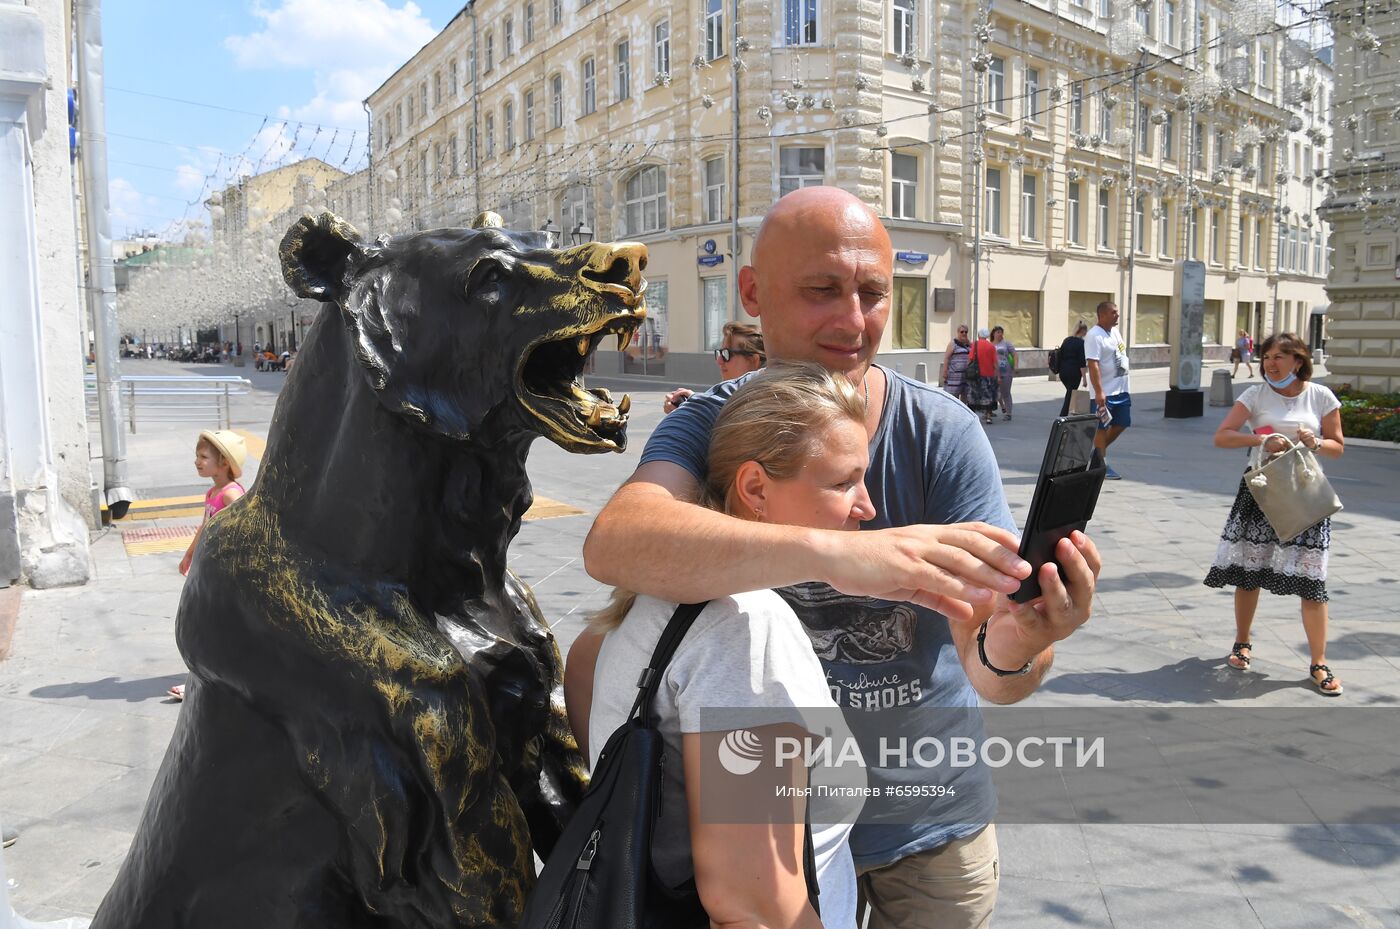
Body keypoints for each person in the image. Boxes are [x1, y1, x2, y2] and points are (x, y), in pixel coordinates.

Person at [579, 186, 1101, 929]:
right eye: (823, 290)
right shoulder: (711, 420)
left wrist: (1024, 639)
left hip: (926, 826)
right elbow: (618, 541)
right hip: (766, 826)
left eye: (874, 294)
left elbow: (991, 665)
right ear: (753, 292)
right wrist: (841, 557)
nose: (853, 322)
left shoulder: (941, 433)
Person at [571, 363, 872, 929]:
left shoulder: (646, 596)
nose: (867, 506)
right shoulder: (745, 627)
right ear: (755, 487)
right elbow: (756, 913)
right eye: (843, 482)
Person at [1204, 333, 1345, 696]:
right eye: (1267, 357)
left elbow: (1337, 447)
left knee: (1312, 582)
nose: (1270, 363)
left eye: (1280, 357)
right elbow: (1223, 436)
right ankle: (1242, 643)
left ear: (1298, 361)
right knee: (1249, 573)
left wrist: (1315, 442)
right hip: (1261, 491)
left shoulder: (1320, 396)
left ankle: (1318, 662)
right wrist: (1261, 440)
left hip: (1305, 494)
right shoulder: (1255, 395)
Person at [170, 430, 247, 701]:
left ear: (224, 462)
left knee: (213, 628)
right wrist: (190, 554)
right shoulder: (213, 492)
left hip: (226, 576)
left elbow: (243, 534)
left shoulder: (231, 495)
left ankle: (202, 683)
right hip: (211, 571)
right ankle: (201, 680)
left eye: (203, 457)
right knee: (206, 626)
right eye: (197, 456)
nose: (197, 461)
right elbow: (205, 526)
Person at [664, 321, 765, 413]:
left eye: (727, 354)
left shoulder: (760, 405)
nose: (719, 360)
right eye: (720, 353)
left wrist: (691, 408)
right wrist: (692, 402)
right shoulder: (740, 398)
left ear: (753, 360)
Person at [1084, 300, 1130, 480]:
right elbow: (1093, 364)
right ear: (1101, 315)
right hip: (1106, 391)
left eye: (1117, 312)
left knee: (1122, 423)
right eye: (1113, 313)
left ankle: (1096, 454)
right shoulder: (1094, 336)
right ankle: (1101, 463)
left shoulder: (1115, 332)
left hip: (1122, 389)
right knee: (1101, 427)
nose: (1117, 315)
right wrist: (1099, 391)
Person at [966, 328, 1000, 426]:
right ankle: (988, 417)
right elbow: (995, 363)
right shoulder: (991, 346)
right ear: (988, 336)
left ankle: (972, 417)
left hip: (976, 375)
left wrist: (966, 370)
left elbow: (970, 359)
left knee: (973, 396)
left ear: (979, 335)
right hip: (989, 375)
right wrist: (998, 376)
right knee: (988, 396)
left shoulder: (975, 345)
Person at [1057, 321, 1089, 416]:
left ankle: (1068, 413)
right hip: (1074, 373)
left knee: (1069, 392)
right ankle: (1063, 416)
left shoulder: (1067, 340)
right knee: (1070, 393)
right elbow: (1082, 363)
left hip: (1063, 372)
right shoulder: (1081, 343)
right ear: (1082, 331)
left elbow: (1060, 355)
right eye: (1086, 331)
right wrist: (1084, 379)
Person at [939, 324, 972, 405]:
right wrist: (945, 371)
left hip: (966, 376)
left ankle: (963, 413)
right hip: (954, 376)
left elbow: (975, 352)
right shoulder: (953, 343)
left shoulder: (969, 344)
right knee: (953, 397)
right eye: (962, 332)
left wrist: (969, 342)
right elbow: (946, 358)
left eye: (966, 332)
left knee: (965, 396)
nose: (964, 333)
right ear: (958, 332)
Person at [990, 326, 1017, 421]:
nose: (1000, 334)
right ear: (993, 333)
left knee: (1006, 392)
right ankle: (989, 412)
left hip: (1006, 371)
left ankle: (1008, 413)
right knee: (993, 392)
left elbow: (1014, 354)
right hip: (993, 372)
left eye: (1001, 332)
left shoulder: (1006, 344)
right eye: (998, 332)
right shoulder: (990, 344)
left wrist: (1016, 366)